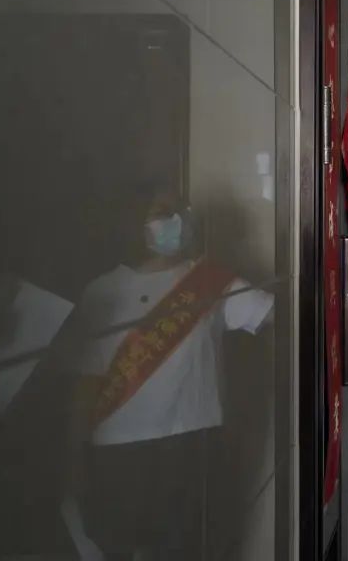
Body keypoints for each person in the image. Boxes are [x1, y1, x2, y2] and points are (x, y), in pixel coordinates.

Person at [63, 188, 274, 560]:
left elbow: (273, 313)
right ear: (135, 223)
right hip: (119, 450)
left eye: (179, 211)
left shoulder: (208, 279)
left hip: (193, 443)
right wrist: (74, 455)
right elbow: (87, 382)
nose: (175, 221)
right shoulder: (102, 291)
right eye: (162, 213)